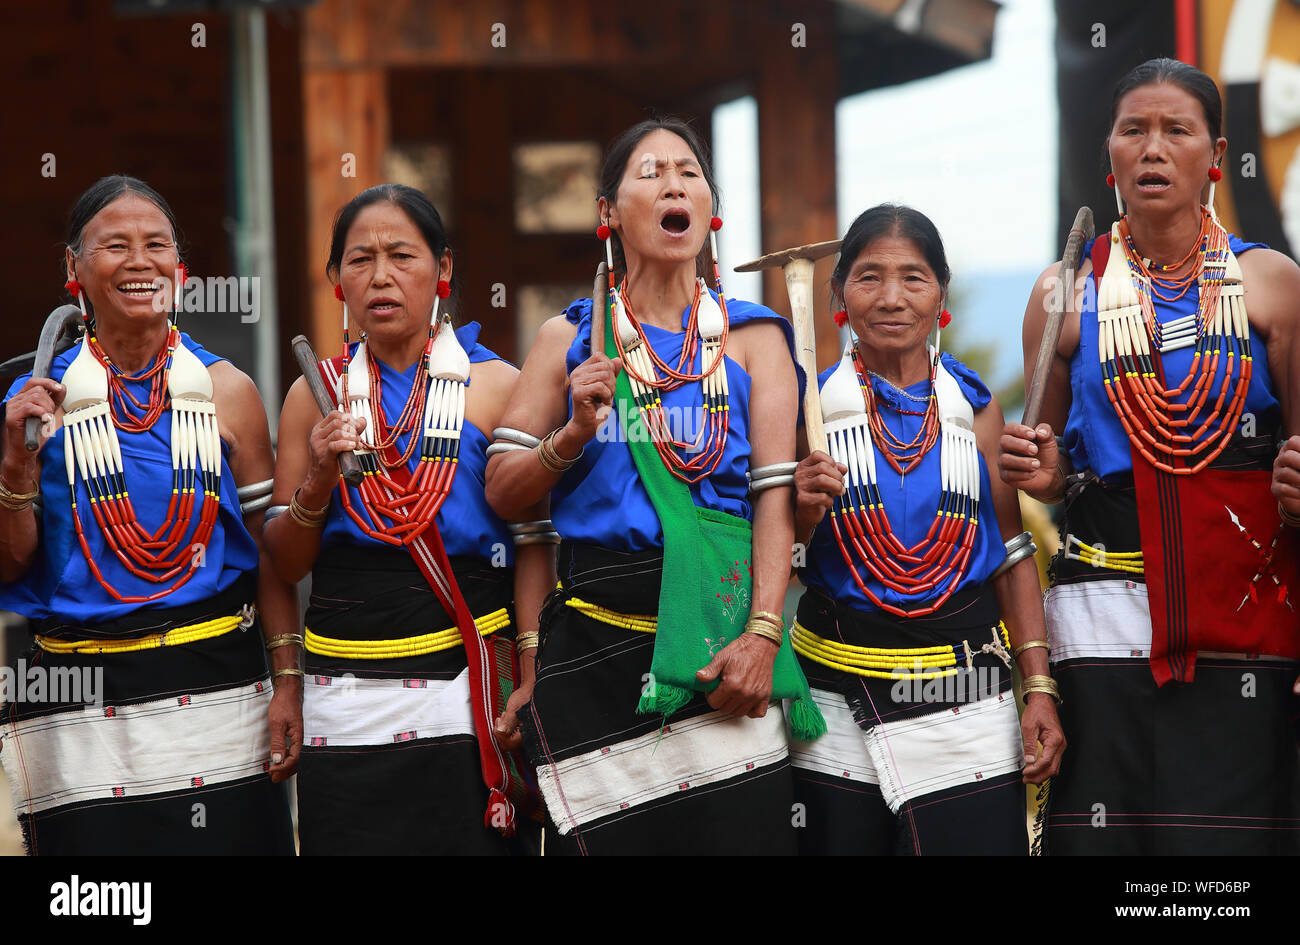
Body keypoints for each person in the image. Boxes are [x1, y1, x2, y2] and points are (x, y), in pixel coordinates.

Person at [485, 117, 822, 855]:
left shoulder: (757, 339)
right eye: (650, 172)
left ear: (710, 207)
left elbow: (773, 499)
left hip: (718, 647)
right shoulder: (567, 340)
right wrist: (570, 436)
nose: (674, 182)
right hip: (595, 653)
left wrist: (764, 637)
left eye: (688, 171)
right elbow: (505, 492)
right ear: (608, 213)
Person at [1000, 58, 1300, 855]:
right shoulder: (1064, 291)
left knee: (1229, 849)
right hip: (1101, 617)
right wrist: (1040, 470)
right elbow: (1054, 469)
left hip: (1241, 617)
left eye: (1177, 130)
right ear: (1110, 153)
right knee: (1108, 836)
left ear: (1216, 152)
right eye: (1135, 130)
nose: (1154, 148)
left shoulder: (1271, 284)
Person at [0, 175, 297, 854]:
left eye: (155, 244)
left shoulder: (229, 391)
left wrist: (288, 683)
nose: (139, 261)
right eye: (114, 245)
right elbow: (10, 561)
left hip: (217, 690)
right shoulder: (34, 402)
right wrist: (16, 463)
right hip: (81, 703)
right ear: (73, 268)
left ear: (181, 271)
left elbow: (272, 558)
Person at [265, 184, 545, 854]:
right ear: (337, 281)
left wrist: (532, 670)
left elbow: (535, 543)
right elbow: (284, 560)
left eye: (401, 255)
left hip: (469, 685)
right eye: (360, 260)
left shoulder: (497, 387)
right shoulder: (314, 394)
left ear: (443, 268)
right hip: (346, 695)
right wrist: (317, 479)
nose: (381, 276)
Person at [789, 204, 1064, 855]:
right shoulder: (807, 411)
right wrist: (801, 506)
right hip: (832, 699)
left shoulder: (976, 410)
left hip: (964, 699)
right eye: (868, 277)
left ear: (941, 295)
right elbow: (779, 555)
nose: (891, 297)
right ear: (837, 295)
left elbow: (1011, 552)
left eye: (913, 278)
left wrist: (1039, 687)